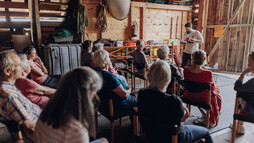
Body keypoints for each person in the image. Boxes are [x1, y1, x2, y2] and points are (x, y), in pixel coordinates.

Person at [138, 60, 213, 143]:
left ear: (149, 76)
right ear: (167, 79)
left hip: (151, 134)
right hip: (173, 137)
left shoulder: (142, 93)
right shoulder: (173, 100)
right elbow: (183, 117)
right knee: (205, 132)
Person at [34, 67, 108, 143]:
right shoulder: (76, 130)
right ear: (86, 95)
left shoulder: (48, 109)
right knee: (104, 141)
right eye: (94, 93)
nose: (94, 98)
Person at [0, 50, 41, 140]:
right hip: (43, 135)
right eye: (19, 65)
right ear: (7, 71)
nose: (22, 67)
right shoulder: (9, 95)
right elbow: (30, 128)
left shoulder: (7, 87)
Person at [93, 49, 137, 118]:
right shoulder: (109, 76)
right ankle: (136, 127)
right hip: (115, 109)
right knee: (136, 101)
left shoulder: (95, 73)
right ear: (107, 61)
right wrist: (130, 89)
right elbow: (124, 95)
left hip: (102, 106)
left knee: (132, 97)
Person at [183, 50, 221, 127]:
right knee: (216, 94)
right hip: (202, 98)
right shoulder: (208, 73)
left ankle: (207, 117)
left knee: (214, 92)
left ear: (192, 59)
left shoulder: (186, 70)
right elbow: (212, 88)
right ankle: (210, 119)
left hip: (189, 95)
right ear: (203, 60)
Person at [232, 51, 254, 134]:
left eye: (250, 63)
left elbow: (236, 87)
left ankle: (240, 126)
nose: (248, 65)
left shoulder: (252, 82)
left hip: (251, 112)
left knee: (241, 96)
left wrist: (243, 73)